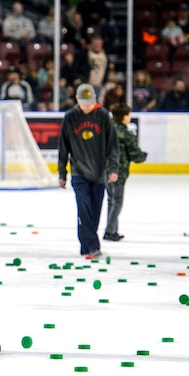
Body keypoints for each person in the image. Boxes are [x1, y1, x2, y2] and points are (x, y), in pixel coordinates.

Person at [58, 83, 119, 257]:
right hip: (79, 173)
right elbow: (63, 147)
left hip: (99, 173)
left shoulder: (103, 116)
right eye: (83, 102)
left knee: (94, 212)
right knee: (83, 207)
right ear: (77, 100)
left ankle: (86, 246)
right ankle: (93, 245)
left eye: (89, 102)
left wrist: (113, 169)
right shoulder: (70, 117)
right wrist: (62, 173)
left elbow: (113, 146)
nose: (87, 106)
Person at [103, 103, 147, 241]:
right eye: (128, 115)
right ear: (124, 117)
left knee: (111, 200)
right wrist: (143, 156)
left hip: (104, 170)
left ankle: (113, 230)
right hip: (118, 172)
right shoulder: (126, 134)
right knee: (117, 201)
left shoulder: (106, 130)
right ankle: (110, 231)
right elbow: (135, 155)